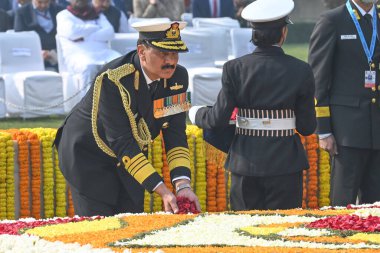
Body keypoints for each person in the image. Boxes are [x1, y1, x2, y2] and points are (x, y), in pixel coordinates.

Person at [54, 20, 201, 216]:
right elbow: (121, 141)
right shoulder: (113, 79)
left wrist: (183, 185)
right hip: (89, 155)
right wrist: (163, 191)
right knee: (100, 226)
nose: (171, 61)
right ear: (141, 52)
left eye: (174, 54)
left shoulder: (178, 78)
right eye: (163, 54)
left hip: (129, 157)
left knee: (131, 220)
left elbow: (175, 133)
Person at [189, 0, 316, 211]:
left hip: (245, 163)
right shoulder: (301, 70)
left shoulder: (234, 68)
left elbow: (217, 120)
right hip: (285, 165)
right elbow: (307, 127)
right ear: (283, 33)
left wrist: (196, 112)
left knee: (245, 234)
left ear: (253, 33)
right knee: (283, 231)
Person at [309, 0, 380, 206]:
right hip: (347, 130)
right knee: (343, 201)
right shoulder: (332, 20)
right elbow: (318, 79)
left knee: (376, 204)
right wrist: (324, 130)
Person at [56, 0, 121, 89]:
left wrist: (84, 37)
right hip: (78, 56)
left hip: (103, 53)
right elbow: (72, 33)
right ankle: (89, 102)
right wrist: (95, 28)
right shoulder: (63, 15)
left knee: (121, 63)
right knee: (89, 66)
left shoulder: (97, 14)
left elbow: (110, 32)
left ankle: (118, 101)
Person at [14, 0, 64, 71]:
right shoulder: (22, 12)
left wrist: (54, 53)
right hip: (34, 56)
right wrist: (38, 52)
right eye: (39, 2)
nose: (43, 5)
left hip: (58, 54)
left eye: (46, 2)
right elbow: (20, 38)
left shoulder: (59, 10)